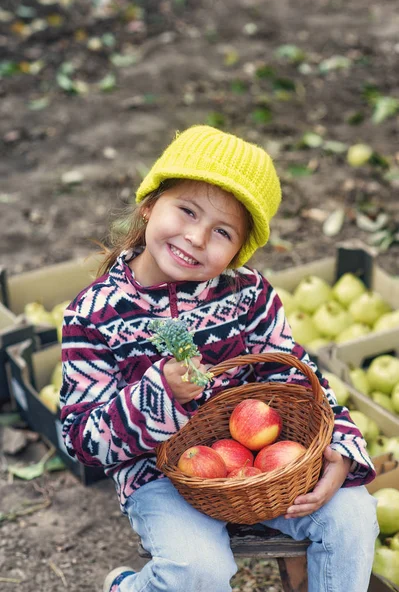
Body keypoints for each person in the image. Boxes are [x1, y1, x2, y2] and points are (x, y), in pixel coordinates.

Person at [60, 125, 378, 592]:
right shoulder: (92, 316)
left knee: (353, 516)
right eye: (186, 210)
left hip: (259, 465)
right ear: (149, 204)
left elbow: (295, 374)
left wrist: (341, 447)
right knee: (197, 572)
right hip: (159, 476)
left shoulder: (249, 295)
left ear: (236, 252)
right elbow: (79, 440)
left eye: (221, 232)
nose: (195, 237)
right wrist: (159, 396)